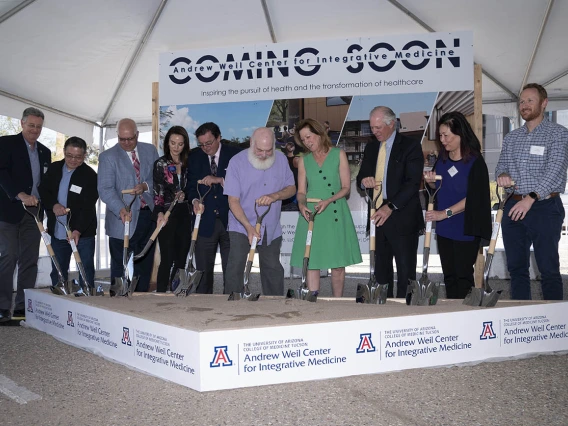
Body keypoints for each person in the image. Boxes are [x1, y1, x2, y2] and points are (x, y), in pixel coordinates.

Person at [495, 83, 568, 300]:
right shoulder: (511, 138)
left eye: (530, 100)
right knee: (516, 269)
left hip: (545, 207)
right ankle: (520, 320)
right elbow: (501, 167)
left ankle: (555, 325)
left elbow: (555, 170)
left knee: (549, 270)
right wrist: (503, 176)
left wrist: (531, 198)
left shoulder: (558, 134)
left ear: (544, 103)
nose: (524, 105)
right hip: (513, 206)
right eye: (521, 101)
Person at [356, 106, 424, 299]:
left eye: (378, 127)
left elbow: (412, 183)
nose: (374, 131)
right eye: (372, 127)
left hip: (402, 216)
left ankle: (404, 315)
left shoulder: (410, 146)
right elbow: (361, 176)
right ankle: (382, 313)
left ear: (391, 124)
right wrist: (364, 181)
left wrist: (391, 206)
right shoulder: (371, 147)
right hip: (378, 215)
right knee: (381, 270)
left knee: (405, 271)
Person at [424, 112, 491, 299]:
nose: (443, 140)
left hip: (465, 227)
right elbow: (437, 185)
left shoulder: (475, 162)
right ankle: (453, 315)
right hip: (445, 228)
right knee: (449, 276)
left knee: (463, 276)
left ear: (460, 134)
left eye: (447, 136)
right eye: (440, 136)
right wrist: (430, 181)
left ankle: (466, 317)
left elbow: (474, 198)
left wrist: (443, 214)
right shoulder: (443, 159)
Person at [290, 119, 362, 296]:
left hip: (335, 211)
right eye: (303, 139)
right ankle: (313, 303)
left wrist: (329, 200)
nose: (307, 142)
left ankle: (337, 304)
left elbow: (346, 188)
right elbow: (301, 191)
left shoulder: (339, 154)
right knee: (312, 263)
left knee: (337, 265)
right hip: (311, 215)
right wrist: (301, 203)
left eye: (309, 137)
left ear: (320, 133)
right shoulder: (304, 160)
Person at [224, 127, 296, 296]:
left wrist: (275, 195)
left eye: (269, 150)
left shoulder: (282, 159)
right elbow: (232, 201)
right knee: (236, 265)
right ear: (251, 144)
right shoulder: (236, 162)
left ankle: (275, 305)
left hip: (271, 225)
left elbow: (292, 188)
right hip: (241, 224)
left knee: (272, 266)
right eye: (260, 150)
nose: (264, 155)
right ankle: (231, 305)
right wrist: (249, 227)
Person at [0, 107, 51, 322]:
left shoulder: (45, 152)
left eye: (39, 127)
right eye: (31, 125)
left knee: (29, 260)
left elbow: (45, 184)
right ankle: (3, 307)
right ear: (22, 124)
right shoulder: (5, 144)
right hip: (8, 212)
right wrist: (19, 194)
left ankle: (23, 306)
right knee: (8, 257)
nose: (35, 130)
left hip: (34, 215)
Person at [98, 118, 159, 292]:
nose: (126, 143)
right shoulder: (107, 157)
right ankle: (119, 303)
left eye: (130, 139)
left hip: (147, 217)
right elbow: (105, 189)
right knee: (121, 265)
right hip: (122, 219)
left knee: (144, 264)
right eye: (122, 139)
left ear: (137, 135)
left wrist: (145, 186)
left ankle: (140, 303)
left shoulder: (150, 150)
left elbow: (158, 179)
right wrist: (120, 209)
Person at [38, 137, 99, 291]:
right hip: (58, 231)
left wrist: (78, 230)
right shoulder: (54, 169)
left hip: (82, 233)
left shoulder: (90, 175)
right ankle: (58, 299)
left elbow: (88, 206)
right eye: (69, 155)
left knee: (85, 270)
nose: (73, 160)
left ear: (84, 156)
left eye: (78, 157)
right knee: (58, 271)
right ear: (64, 152)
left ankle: (87, 301)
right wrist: (54, 205)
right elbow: (43, 191)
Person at [186, 122, 240, 294]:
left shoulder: (235, 155)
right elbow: (190, 188)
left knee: (232, 272)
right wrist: (194, 200)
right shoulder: (194, 157)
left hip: (232, 221)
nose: (205, 148)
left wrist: (220, 180)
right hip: (204, 223)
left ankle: (232, 309)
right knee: (202, 274)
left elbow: (243, 185)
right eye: (201, 144)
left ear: (219, 137)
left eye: (209, 143)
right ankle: (203, 312)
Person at [153, 126, 191, 292]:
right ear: (167, 143)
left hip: (185, 213)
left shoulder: (189, 162)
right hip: (167, 214)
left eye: (180, 144)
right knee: (167, 257)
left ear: (185, 145)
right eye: (173, 143)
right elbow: (158, 191)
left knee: (181, 257)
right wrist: (160, 213)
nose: (176, 147)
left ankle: (178, 290)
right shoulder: (161, 164)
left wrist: (186, 195)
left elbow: (192, 187)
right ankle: (161, 292)